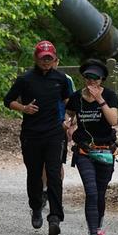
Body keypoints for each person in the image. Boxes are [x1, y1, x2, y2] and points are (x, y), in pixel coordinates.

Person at [3, 40, 71, 235]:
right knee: (34, 175)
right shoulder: (25, 79)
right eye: (43, 58)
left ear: (54, 58)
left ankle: (55, 217)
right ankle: (35, 207)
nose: (46, 62)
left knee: (54, 174)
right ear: (36, 58)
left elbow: (70, 102)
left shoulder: (61, 79)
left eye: (49, 58)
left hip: (54, 133)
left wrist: (70, 120)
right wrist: (24, 108)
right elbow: (8, 101)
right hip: (31, 134)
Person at [65, 59, 118, 235]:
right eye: (88, 77)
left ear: (102, 79)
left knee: (100, 193)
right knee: (91, 192)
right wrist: (67, 123)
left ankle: (98, 228)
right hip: (84, 151)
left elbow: (113, 120)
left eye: (95, 78)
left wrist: (100, 100)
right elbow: (68, 113)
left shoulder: (110, 96)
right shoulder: (76, 97)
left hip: (105, 151)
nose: (91, 81)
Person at [41, 59, 76, 209]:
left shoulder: (66, 79)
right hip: (41, 126)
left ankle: (55, 192)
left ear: (57, 61)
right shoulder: (36, 77)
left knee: (57, 162)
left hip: (59, 126)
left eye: (52, 60)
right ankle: (44, 190)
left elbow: (72, 104)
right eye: (45, 59)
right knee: (42, 161)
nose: (49, 63)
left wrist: (70, 124)